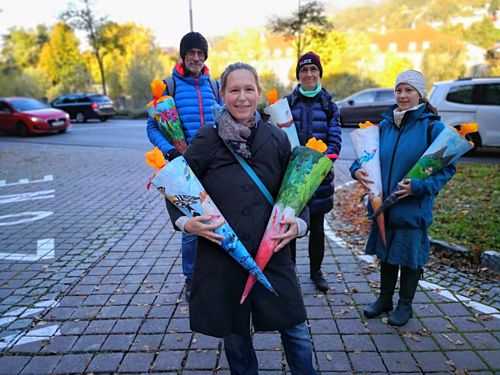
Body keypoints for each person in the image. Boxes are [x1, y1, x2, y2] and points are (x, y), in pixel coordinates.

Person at [166, 62, 317, 374]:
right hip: (224, 255)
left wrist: (299, 224)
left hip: (272, 251)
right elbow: (176, 182)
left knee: (295, 327)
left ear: (258, 93)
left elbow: (299, 187)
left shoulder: (277, 138)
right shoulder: (206, 139)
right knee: (236, 335)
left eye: (249, 89)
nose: (242, 97)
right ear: (222, 94)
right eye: (234, 90)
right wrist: (186, 223)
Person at [350, 70, 456, 326]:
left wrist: (418, 187)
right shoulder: (386, 125)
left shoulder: (432, 127)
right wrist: (357, 171)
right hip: (383, 205)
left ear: (420, 94)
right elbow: (364, 158)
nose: (403, 95)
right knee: (386, 254)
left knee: (409, 258)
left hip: (412, 207)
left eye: (409, 90)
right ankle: (385, 299)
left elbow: (447, 169)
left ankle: (405, 305)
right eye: (399, 90)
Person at [147, 31, 222, 302]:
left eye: (200, 54)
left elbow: (225, 120)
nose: (196, 58)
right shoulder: (170, 87)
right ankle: (191, 278)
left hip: (215, 164)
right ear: (183, 55)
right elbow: (152, 128)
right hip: (184, 166)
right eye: (191, 52)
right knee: (192, 225)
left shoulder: (214, 86)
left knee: (217, 219)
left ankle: (216, 273)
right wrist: (170, 150)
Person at [286, 51, 342, 292]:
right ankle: (289, 273)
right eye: (304, 70)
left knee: (317, 228)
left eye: (313, 70)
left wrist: (319, 163)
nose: (308, 74)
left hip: (319, 178)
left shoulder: (329, 106)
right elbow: (279, 137)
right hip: (292, 177)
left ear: (319, 74)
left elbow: (335, 140)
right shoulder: (288, 104)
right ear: (298, 75)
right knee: (289, 226)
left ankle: (316, 272)